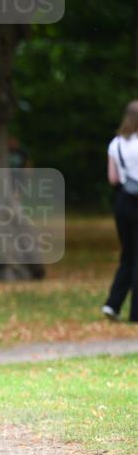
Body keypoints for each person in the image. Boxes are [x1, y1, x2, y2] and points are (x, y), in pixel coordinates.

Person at [103, 99, 138, 323]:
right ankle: (136, 312)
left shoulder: (115, 144)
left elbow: (113, 178)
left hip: (123, 201)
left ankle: (112, 304)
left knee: (128, 254)